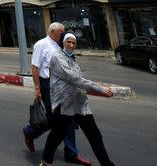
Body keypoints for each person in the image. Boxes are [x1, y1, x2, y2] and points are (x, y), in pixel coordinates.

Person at [40, 34, 115, 166]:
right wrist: (101, 89)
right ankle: (46, 161)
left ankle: (106, 163)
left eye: (74, 43)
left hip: (80, 104)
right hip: (64, 104)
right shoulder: (57, 57)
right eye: (68, 42)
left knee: (94, 135)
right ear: (63, 43)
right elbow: (74, 79)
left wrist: (94, 90)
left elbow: (79, 81)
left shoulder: (72, 59)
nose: (71, 45)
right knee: (58, 134)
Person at [23, 22, 91, 166]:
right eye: (61, 33)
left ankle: (71, 153)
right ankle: (30, 132)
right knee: (55, 121)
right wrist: (37, 89)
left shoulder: (60, 46)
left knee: (68, 120)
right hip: (48, 86)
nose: (63, 35)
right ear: (53, 32)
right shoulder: (41, 44)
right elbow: (35, 67)